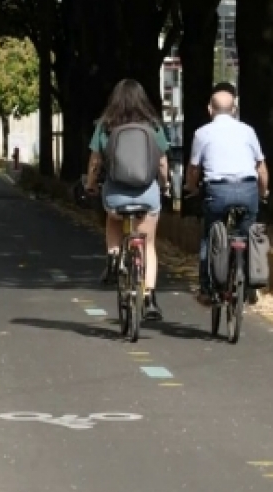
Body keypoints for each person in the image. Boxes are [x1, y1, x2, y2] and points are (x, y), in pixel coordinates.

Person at [86, 78, 173, 321]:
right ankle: (149, 297)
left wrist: (91, 185)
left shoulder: (105, 125)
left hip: (116, 193)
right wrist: (164, 186)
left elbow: (95, 162)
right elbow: (163, 163)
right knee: (149, 245)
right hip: (147, 194)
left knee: (113, 221)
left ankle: (114, 256)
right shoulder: (154, 125)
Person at [184, 83, 269, 306]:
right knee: (248, 234)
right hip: (247, 189)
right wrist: (262, 192)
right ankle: (249, 286)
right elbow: (261, 168)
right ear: (234, 109)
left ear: (210, 110)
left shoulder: (202, 133)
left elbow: (194, 169)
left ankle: (206, 288)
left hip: (217, 191)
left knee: (209, 235)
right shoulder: (248, 131)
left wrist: (191, 188)